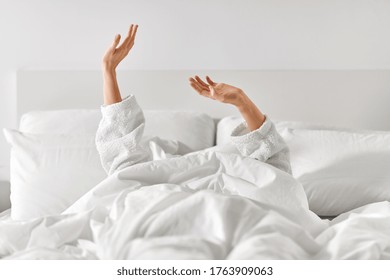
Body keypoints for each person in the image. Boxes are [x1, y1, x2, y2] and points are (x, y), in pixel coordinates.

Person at [96, 24, 291, 175]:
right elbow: (123, 164)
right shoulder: (151, 176)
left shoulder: (236, 172)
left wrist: (242, 100)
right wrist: (108, 71)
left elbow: (275, 172)